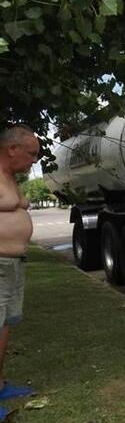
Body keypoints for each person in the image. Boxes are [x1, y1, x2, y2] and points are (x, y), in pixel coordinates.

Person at [0, 124, 40, 419]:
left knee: (5, 325)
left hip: (14, 264)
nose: (34, 161)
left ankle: (0, 384)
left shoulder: (10, 178)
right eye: (31, 154)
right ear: (12, 149)